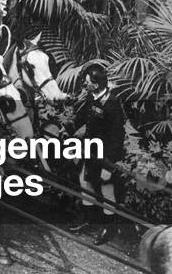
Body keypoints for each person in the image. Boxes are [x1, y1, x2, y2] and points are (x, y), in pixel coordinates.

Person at [66, 63, 128, 246]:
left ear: (97, 83)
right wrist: (66, 129)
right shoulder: (92, 97)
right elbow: (82, 117)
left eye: (87, 81)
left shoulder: (112, 103)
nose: (85, 84)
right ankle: (88, 220)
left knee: (106, 189)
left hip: (106, 154)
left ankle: (109, 228)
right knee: (85, 183)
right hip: (90, 150)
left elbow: (118, 138)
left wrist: (109, 166)